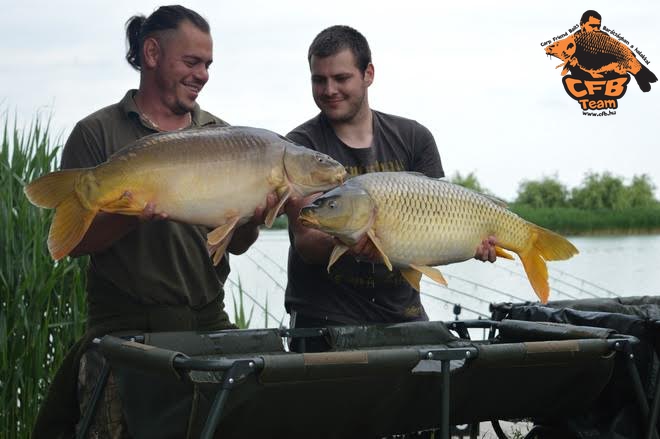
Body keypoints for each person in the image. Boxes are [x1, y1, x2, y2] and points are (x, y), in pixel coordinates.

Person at [33, 6, 277, 438]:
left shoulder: (224, 136)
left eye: (207, 65)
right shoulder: (98, 132)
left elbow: (235, 245)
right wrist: (134, 218)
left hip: (207, 321)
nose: (202, 74)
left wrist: (251, 218)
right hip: (125, 327)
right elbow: (76, 244)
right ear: (151, 53)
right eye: (191, 62)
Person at [284, 25, 497, 352]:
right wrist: (350, 238)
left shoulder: (414, 138)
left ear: (368, 74)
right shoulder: (301, 146)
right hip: (324, 320)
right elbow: (307, 240)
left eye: (341, 78)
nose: (329, 90)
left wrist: (473, 244)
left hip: (403, 315)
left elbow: (432, 229)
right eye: (318, 80)